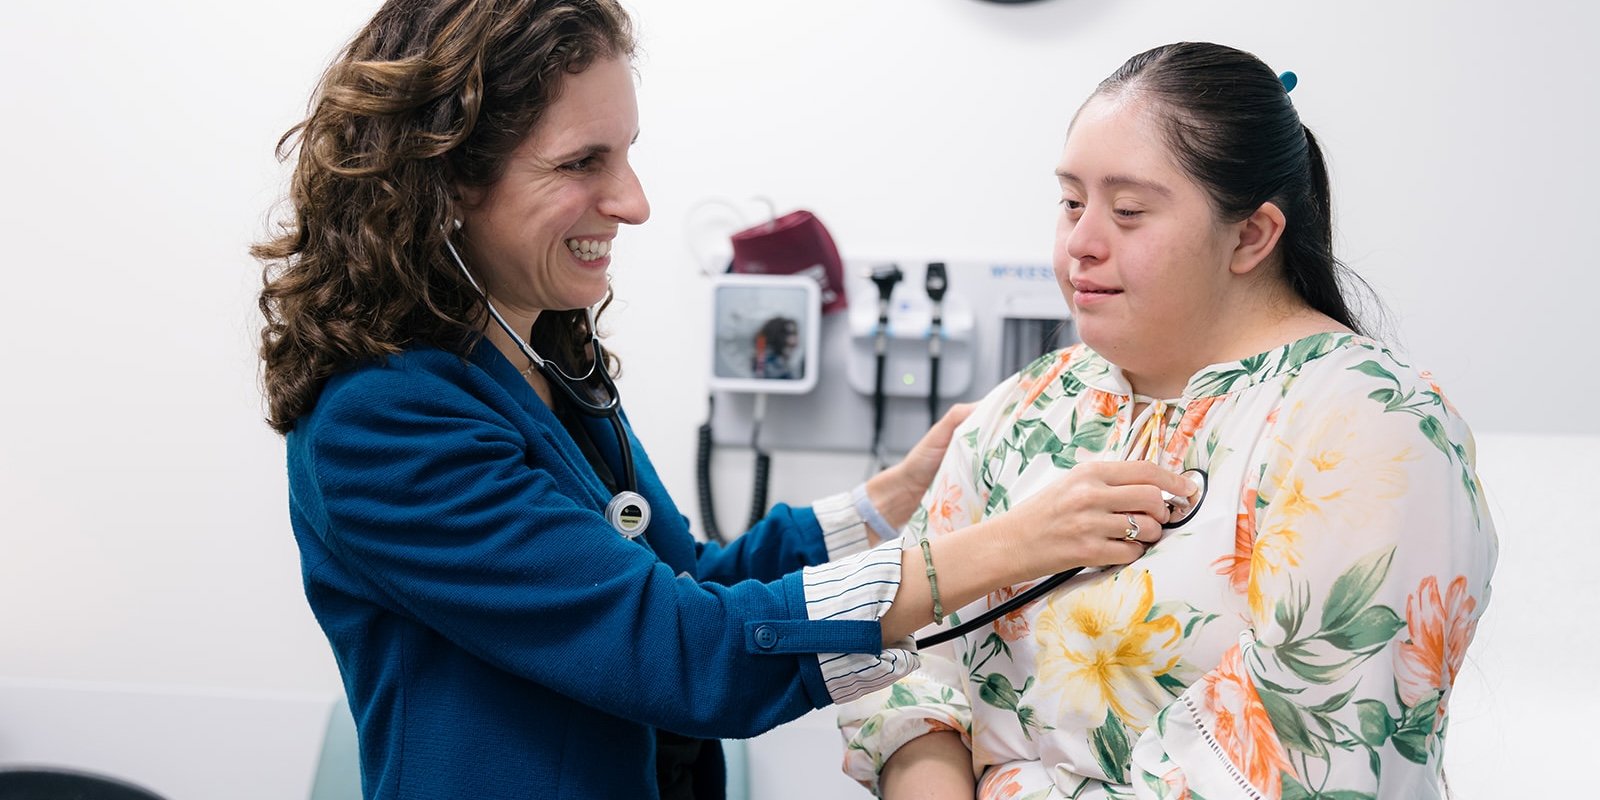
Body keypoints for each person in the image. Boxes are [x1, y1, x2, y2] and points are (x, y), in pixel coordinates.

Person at [252, 2, 1193, 798]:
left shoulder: (538, 359)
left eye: (626, 154)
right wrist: (1007, 546)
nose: (634, 201)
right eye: (583, 162)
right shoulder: (381, 419)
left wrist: (891, 499)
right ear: (449, 178)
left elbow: (689, 575)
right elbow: (682, 650)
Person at [837, 42, 1497, 800]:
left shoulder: (1368, 430)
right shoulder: (1026, 409)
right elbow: (909, 666)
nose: (1081, 242)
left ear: (1252, 236)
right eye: (1071, 203)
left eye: (1127, 212)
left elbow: (1307, 761)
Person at [752, 315, 801, 380]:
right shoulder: (770, 365)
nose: (795, 340)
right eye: (790, 334)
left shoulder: (768, 361)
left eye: (795, 334)